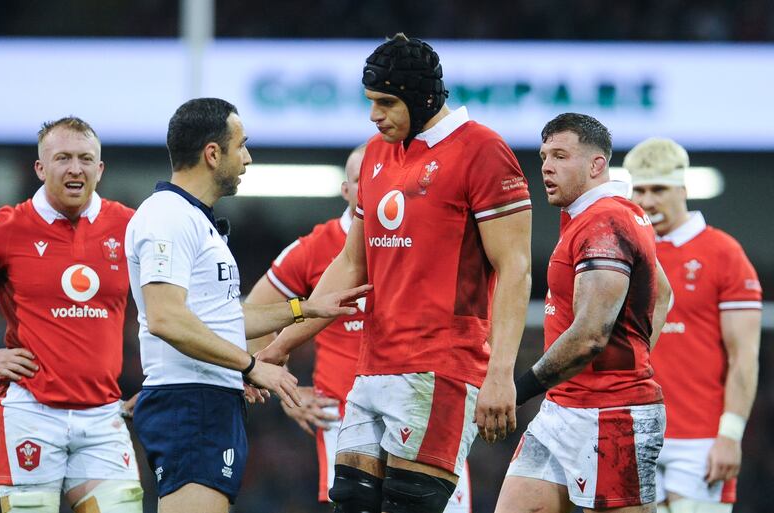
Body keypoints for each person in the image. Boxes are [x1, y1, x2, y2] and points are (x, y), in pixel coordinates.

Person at [258, 33, 532, 513]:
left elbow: (515, 269)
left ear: (423, 97)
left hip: (440, 366)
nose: (374, 115)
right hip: (371, 367)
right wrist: (281, 347)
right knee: (351, 501)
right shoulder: (377, 154)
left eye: (386, 102)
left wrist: (500, 374)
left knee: (411, 505)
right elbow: (350, 264)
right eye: (371, 102)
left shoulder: (483, 150)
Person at [125, 97, 370, 513]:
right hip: (192, 401)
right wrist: (253, 366)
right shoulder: (167, 216)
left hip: (208, 400)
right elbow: (167, 318)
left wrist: (304, 309)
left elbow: (222, 318)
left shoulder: (196, 220)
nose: (249, 158)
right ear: (212, 153)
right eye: (242, 146)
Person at [245, 144, 473, 511]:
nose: (372, 186)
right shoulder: (316, 247)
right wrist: (285, 384)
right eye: (360, 180)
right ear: (348, 190)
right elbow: (255, 309)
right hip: (345, 410)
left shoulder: (421, 235)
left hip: (423, 400)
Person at [494, 113, 673, 513]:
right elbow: (663, 295)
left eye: (560, 155)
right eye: (543, 156)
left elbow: (591, 335)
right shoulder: (598, 216)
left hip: (612, 416)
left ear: (596, 165)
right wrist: (637, 352)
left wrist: (516, 391)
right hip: (563, 407)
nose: (546, 166)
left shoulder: (606, 221)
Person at [0, 117, 144, 513]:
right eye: (63, 158)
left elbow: (169, 306)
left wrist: (159, 380)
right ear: (40, 167)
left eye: (86, 159)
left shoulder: (130, 226)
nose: (75, 168)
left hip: (104, 416)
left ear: (100, 169)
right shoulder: (6, 228)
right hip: (30, 413)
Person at [625, 138, 762, 513]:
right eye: (639, 189)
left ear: (683, 189)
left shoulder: (724, 254)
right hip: (632, 434)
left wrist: (730, 436)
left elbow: (744, 357)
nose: (648, 200)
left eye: (659, 189)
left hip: (699, 440)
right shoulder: (625, 252)